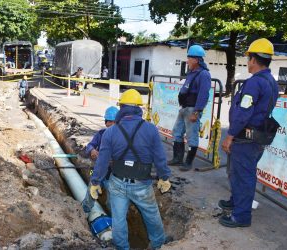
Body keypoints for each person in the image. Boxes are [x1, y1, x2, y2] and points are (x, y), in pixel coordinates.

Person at [89, 89, 172, 249]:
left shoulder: (110, 132)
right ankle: (158, 244)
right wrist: (164, 177)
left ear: (121, 108)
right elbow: (160, 157)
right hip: (142, 184)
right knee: (152, 216)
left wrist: (95, 181)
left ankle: (122, 247)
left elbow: (102, 161)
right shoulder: (150, 129)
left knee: (119, 221)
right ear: (139, 108)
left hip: (117, 183)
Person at [219, 38, 279, 228]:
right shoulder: (271, 81)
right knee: (239, 173)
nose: (247, 61)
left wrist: (230, 135)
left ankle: (241, 216)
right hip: (257, 136)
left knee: (243, 176)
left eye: (248, 58)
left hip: (246, 137)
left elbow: (244, 112)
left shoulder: (254, 83)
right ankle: (236, 202)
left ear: (253, 59)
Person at [168, 45, 211, 171]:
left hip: (192, 110)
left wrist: (196, 112)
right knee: (177, 132)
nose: (187, 61)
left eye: (190, 58)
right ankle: (177, 158)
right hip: (184, 108)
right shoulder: (192, 73)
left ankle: (188, 163)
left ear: (197, 60)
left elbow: (203, 94)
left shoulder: (203, 74)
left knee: (192, 137)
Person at [82, 106, 119, 213]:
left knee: (111, 202)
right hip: (99, 172)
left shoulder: (122, 138)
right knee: (90, 194)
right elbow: (90, 145)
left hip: (114, 176)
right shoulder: (101, 134)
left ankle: (115, 222)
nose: (110, 124)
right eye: (109, 122)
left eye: (113, 122)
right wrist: (92, 150)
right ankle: (85, 213)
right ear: (106, 122)